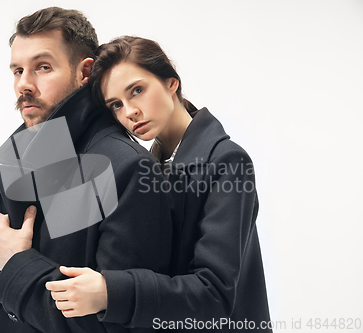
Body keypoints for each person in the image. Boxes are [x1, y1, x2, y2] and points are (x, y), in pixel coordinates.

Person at [44, 36, 272, 332]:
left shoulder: (228, 162)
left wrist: (110, 292)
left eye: (137, 90)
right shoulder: (145, 167)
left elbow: (214, 294)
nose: (129, 112)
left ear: (171, 82)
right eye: (115, 105)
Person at [0, 10, 173, 333]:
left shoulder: (128, 170)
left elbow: (116, 326)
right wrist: (1, 261)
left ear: (85, 72)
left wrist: (14, 263)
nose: (24, 84)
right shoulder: (25, 158)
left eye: (43, 67)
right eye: (17, 70)